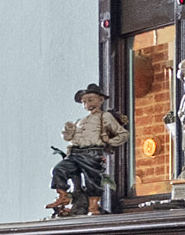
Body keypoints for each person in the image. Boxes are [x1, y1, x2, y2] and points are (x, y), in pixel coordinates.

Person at [50, 83, 131, 215]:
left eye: (91, 100)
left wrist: (109, 141)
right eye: (84, 102)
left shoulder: (104, 117)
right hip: (75, 153)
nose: (87, 104)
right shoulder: (80, 121)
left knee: (92, 179)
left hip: (91, 153)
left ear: (101, 100)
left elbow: (123, 134)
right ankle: (63, 196)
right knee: (59, 169)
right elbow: (69, 138)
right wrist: (69, 130)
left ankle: (93, 207)